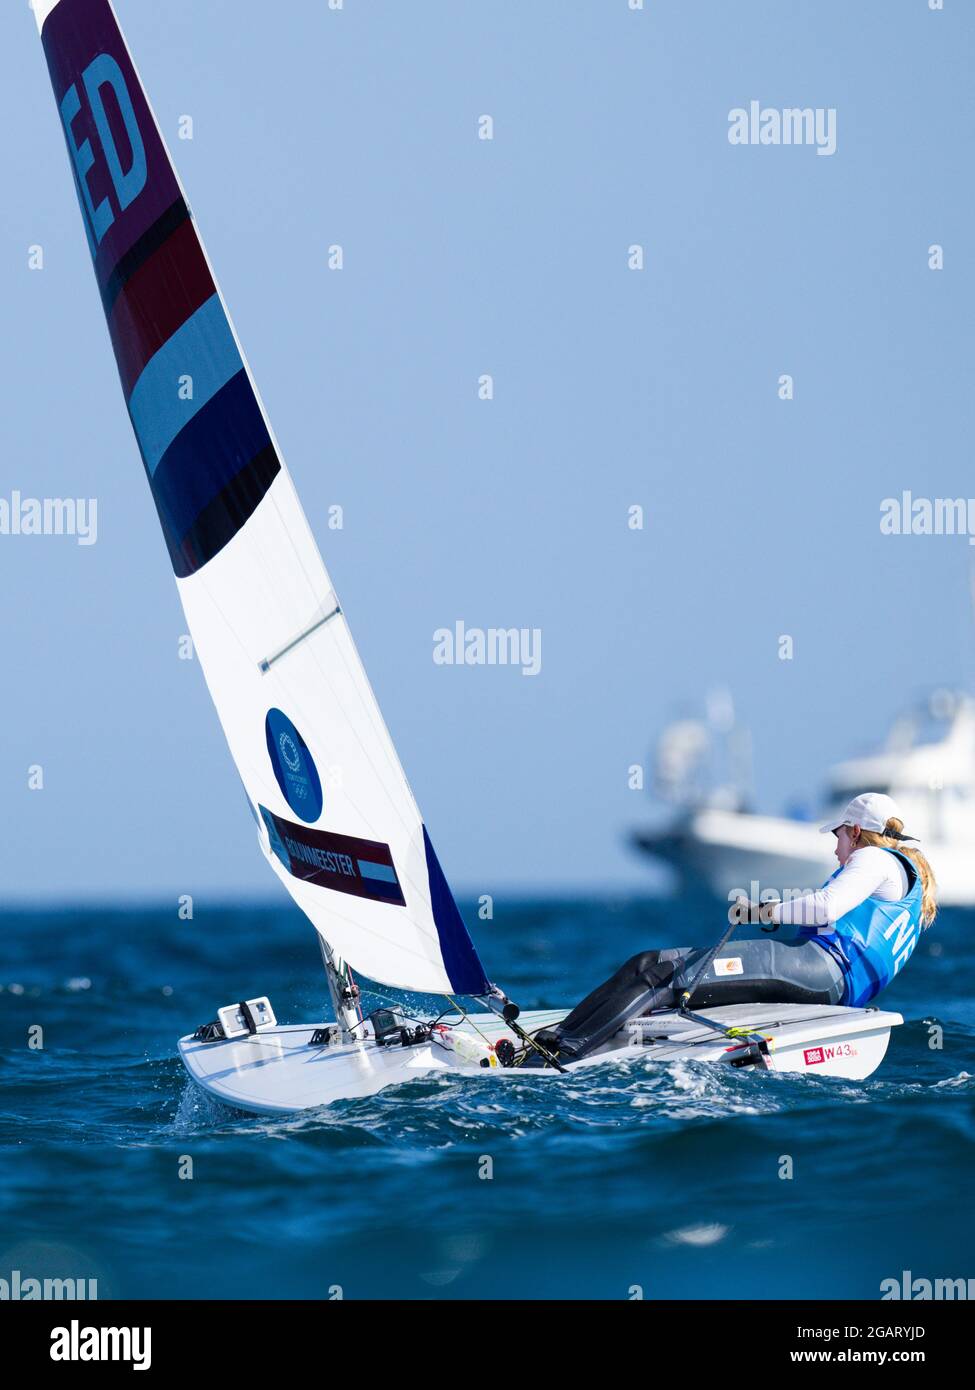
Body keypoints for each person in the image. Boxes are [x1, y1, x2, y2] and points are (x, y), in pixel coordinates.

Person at [525, 793, 936, 1067]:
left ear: (856, 832)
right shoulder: (904, 881)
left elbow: (826, 907)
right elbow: (837, 920)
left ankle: (554, 1057)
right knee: (652, 966)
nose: (835, 847)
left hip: (822, 972)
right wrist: (774, 916)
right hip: (828, 980)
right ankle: (561, 1038)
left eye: (838, 835)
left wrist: (762, 911)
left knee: (660, 974)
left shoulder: (876, 859)